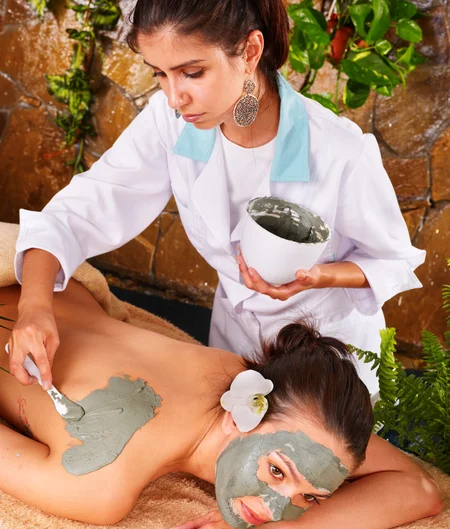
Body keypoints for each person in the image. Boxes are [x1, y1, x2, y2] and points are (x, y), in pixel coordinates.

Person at [10, 0, 425, 396]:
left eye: (192, 73)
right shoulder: (170, 123)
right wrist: (34, 308)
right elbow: (80, 211)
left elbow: (391, 260)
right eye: (159, 73)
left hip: (328, 357)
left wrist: (321, 277)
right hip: (233, 345)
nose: (175, 97)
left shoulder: (339, 151)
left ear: (249, 50)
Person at [0, 283, 441, 529]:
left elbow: (419, 490)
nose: (272, 508)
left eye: (309, 497)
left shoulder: (272, 390)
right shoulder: (103, 481)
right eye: (275, 471)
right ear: (241, 412)